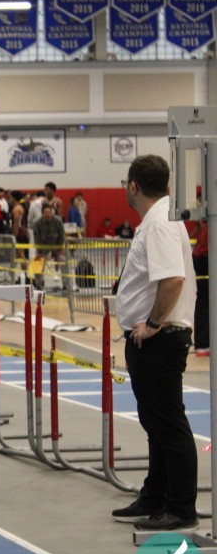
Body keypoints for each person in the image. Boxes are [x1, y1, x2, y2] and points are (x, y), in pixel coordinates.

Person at [111, 155, 198, 532]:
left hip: (161, 338)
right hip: (154, 338)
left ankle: (180, 507)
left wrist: (152, 324)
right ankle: (156, 495)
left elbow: (173, 279)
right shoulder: (158, 218)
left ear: (133, 186)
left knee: (167, 423)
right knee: (156, 423)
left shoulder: (160, 222)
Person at [189, 216, 209, 356]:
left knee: (204, 303)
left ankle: (203, 344)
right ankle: (203, 345)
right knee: (204, 303)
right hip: (204, 258)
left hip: (202, 257)